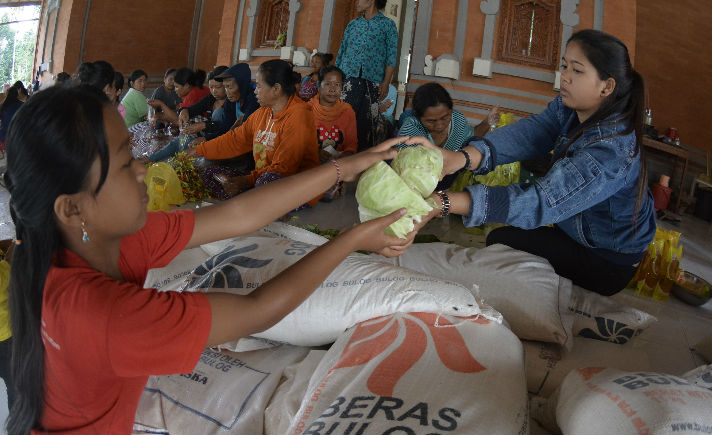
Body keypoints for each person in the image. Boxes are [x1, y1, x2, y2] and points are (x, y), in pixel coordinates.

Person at [4, 84, 424, 434]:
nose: (143, 168)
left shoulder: (99, 241)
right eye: (125, 163)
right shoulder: (99, 315)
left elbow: (235, 215)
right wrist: (352, 239)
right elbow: (257, 310)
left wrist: (345, 168)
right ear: (73, 209)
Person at [405, 29, 656, 296]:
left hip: (605, 258)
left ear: (607, 86)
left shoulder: (613, 150)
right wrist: (464, 157)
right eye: (564, 66)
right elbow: (533, 132)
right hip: (574, 231)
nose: (565, 77)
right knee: (503, 241)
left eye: (577, 70)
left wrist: (443, 202)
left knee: (501, 243)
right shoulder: (569, 108)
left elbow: (543, 201)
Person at [187, 60, 320, 201]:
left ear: (276, 88)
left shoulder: (298, 115)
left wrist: (246, 180)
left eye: (259, 86)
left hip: (294, 186)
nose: (255, 90)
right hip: (258, 179)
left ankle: (253, 202)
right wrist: (199, 150)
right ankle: (251, 202)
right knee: (210, 174)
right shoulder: (263, 112)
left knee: (267, 181)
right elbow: (235, 139)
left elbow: (285, 168)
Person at [336, 0, 398, 151]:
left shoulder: (388, 25)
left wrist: (386, 82)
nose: (356, 2)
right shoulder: (352, 25)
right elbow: (341, 52)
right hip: (348, 81)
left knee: (367, 126)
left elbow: (391, 56)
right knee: (342, 122)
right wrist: (336, 79)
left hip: (373, 84)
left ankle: (360, 164)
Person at [147, 66, 229, 162]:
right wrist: (184, 110)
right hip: (207, 137)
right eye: (211, 87)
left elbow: (226, 127)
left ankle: (155, 160)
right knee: (181, 140)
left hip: (219, 143)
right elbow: (192, 109)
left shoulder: (230, 104)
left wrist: (204, 126)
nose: (214, 91)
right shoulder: (211, 98)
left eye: (218, 87)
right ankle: (151, 159)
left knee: (186, 140)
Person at [308, 66, 357, 164]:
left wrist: (344, 157)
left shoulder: (347, 111)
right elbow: (298, 144)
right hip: (309, 167)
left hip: (337, 168)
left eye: (337, 84)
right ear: (319, 86)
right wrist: (315, 153)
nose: (333, 89)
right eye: (328, 84)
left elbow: (351, 146)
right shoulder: (306, 110)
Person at [0, 85, 26, 150]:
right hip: (19, 137)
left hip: (5, 138)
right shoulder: (23, 105)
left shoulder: (2, 106)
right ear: (17, 95)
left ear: (7, 94)